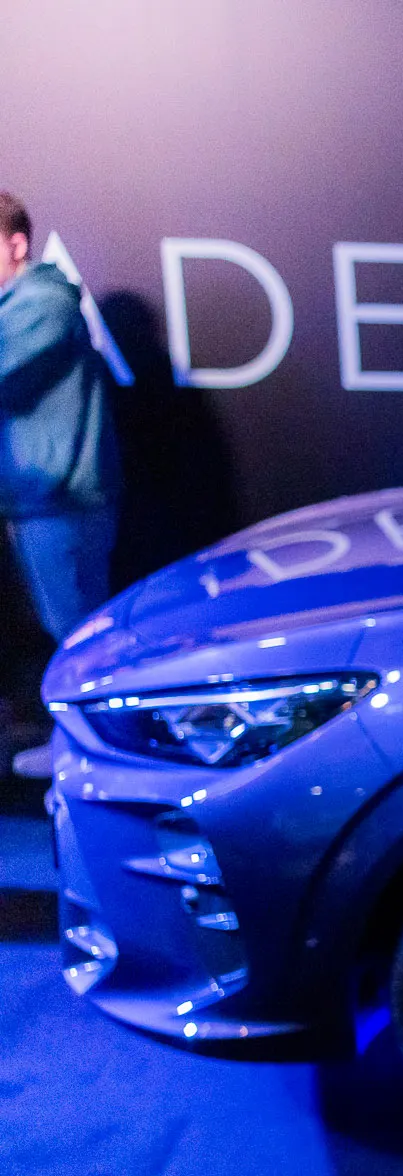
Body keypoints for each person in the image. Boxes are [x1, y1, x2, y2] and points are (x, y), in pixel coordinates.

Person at [0, 191, 119, 777]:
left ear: (16, 244)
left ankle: (100, 756)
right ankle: (80, 747)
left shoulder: (43, 302)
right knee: (65, 633)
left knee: (80, 634)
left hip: (63, 504)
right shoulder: (19, 304)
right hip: (40, 503)